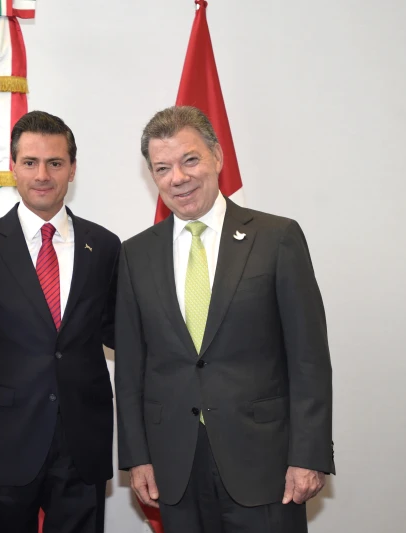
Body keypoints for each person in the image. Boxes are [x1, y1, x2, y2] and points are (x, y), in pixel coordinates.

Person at [115, 106, 335, 533]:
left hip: (265, 462)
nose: (178, 177)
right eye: (162, 168)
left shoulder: (276, 238)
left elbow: (308, 358)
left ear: (217, 156)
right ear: (152, 176)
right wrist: (136, 456)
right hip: (174, 465)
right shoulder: (135, 254)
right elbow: (131, 367)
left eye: (190, 160)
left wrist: (308, 455)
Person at [0, 111, 120, 533]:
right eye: (30, 162)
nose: (42, 175)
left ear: (72, 170)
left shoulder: (106, 245)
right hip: (1, 445)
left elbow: (122, 335)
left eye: (55, 163)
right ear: (12, 167)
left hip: (82, 444)